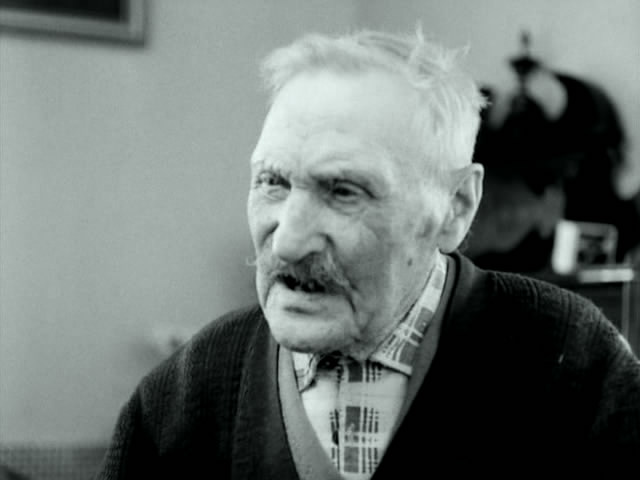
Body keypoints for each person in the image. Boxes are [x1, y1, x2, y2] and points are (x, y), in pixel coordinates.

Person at [95, 28, 640, 479]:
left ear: (455, 207)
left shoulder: (573, 364)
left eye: (343, 191)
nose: (286, 241)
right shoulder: (184, 397)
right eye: (272, 182)